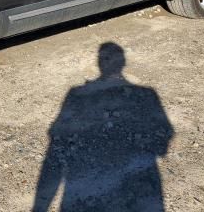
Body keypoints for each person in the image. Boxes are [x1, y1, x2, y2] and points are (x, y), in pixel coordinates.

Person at [33, 42, 174, 211]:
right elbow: (162, 144)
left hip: (86, 190)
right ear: (123, 63)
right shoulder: (147, 95)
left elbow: (58, 145)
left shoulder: (77, 95)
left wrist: (39, 207)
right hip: (133, 191)